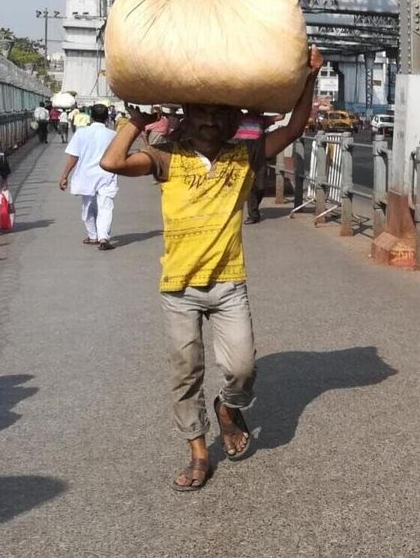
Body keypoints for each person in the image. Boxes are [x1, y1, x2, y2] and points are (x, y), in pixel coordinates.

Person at [100, 46, 322, 492]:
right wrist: (138, 123)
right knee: (186, 374)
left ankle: (228, 406)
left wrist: (311, 76)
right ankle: (199, 453)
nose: (208, 121)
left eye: (217, 115)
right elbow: (112, 163)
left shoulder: (245, 156)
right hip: (177, 287)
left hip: (227, 284)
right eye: (198, 113)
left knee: (242, 368)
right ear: (184, 118)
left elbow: (296, 126)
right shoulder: (166, 158)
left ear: (228, 122)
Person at [59, 104, 120, 249]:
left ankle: (93, 236)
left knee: (88, 207)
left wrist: (64, 176)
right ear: (107, 118)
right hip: (107, 175)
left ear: (91, 116)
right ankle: (104, 237)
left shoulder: (81, 133)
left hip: (86, 176)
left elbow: (74, 156)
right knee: (106, 207)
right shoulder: (113, 135)